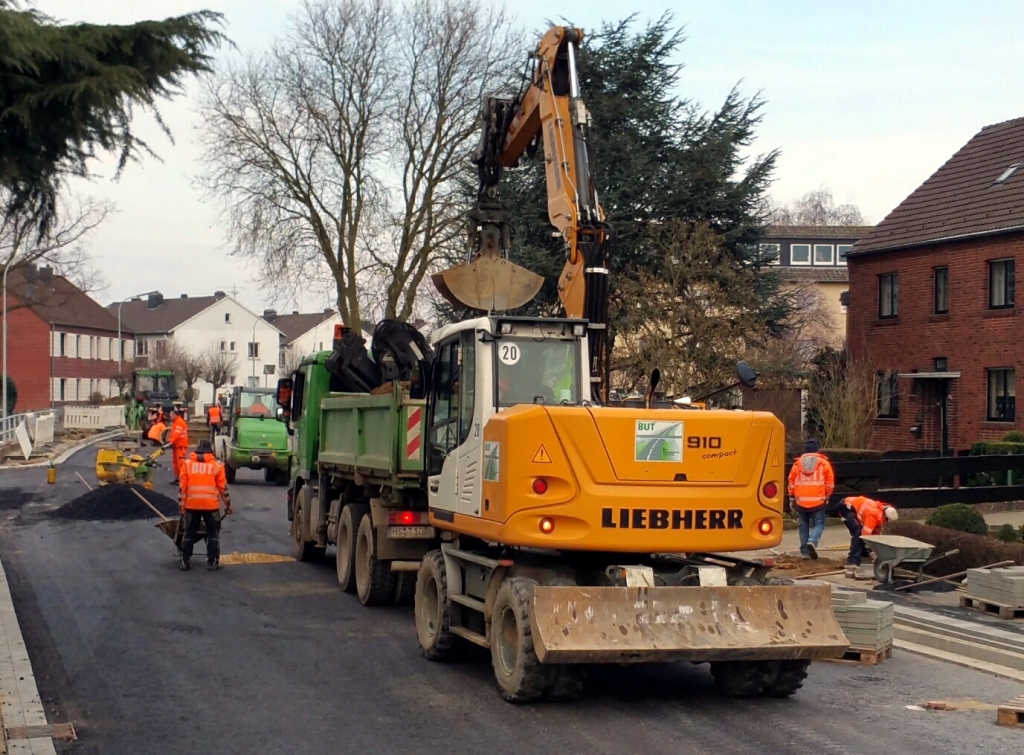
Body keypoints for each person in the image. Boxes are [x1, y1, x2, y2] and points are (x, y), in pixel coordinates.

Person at [178, 439, 233, 571]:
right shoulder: (217, 465)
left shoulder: (187, 464)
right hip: (211, 506)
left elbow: (182, 488)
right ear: (211, 451)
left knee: (189, 533)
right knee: (213, 533)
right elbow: (223, 489)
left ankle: (185, 561)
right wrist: (228, 505)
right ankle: (212, 561)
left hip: (192, 505)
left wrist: (182, 506)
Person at [787, 439, 835, 560]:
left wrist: (792, 499)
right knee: (819, 524)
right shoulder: (824, 464)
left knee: (803, 526)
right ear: (817, 450)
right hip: (818, 501)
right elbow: (830, 484)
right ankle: (812, 541)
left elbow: (791, 483)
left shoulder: (797, 465)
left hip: (801, 502)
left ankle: (804, 552)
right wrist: (827, 495)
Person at [837, 496, 898, 567]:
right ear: (885, 516)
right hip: (845, 507)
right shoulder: (873, 514)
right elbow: (865, 535)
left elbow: (874, 533)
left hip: (851, 506)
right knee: (858, 533)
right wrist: (871, 551)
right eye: (887, 521)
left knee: (862, 533)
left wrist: (875, 549)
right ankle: (852, 562)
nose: (886, 523)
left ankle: (863, 555)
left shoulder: (880, 513)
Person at [166, 408, 189, 485]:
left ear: (175, 415)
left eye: (170, 416)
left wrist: (170, 442)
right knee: (175, 463)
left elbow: (176, 434)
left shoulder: (179, 422)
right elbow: (173, 434)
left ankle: (182, 480)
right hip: (177, 446)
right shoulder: (176, 422)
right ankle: (177, 479)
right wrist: (170, 441)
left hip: (180, 446)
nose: (170, 417)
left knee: (180, 463)